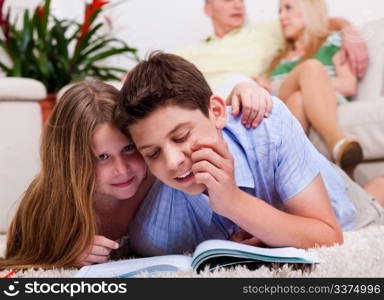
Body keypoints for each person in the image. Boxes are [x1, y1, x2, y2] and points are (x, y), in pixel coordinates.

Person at [116, 52, 384, 257]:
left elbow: (328, 236)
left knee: (374, 200)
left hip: (340, 201)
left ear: (218, 113)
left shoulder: (267, 125)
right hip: (293, 190)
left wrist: (233, 202)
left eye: (181, 137)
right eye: (152, 153)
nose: (173, 162)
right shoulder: (155, 233)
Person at [0, 79, 272, 269]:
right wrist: (64, 253)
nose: (122, 170)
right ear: (72, 163)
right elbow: (19, 256)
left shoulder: (161, 168)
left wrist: (242, 88)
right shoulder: (51, 200)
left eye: (129, 148)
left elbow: (185, 106)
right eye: (102, 157)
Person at [175, 0, 369, 95]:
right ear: (208, 9)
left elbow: (314, 20)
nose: (238, 5)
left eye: (241, 0)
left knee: (243, 84)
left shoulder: (264, 31)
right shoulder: (189, 52)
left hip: (244, 92)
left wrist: (349, 30)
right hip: (202, 99)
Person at [258, 0, 362, 172]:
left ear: (309, 10)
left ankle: (293, 173)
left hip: (320, 101)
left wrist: (310, 85)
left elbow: (348, 85)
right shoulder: (276, 58)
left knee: (300, 96)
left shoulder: (332, 42)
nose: (282, 16)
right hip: (279, 103)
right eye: (279, 11)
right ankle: (338, 142)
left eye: (288, 8)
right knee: (310, 68)